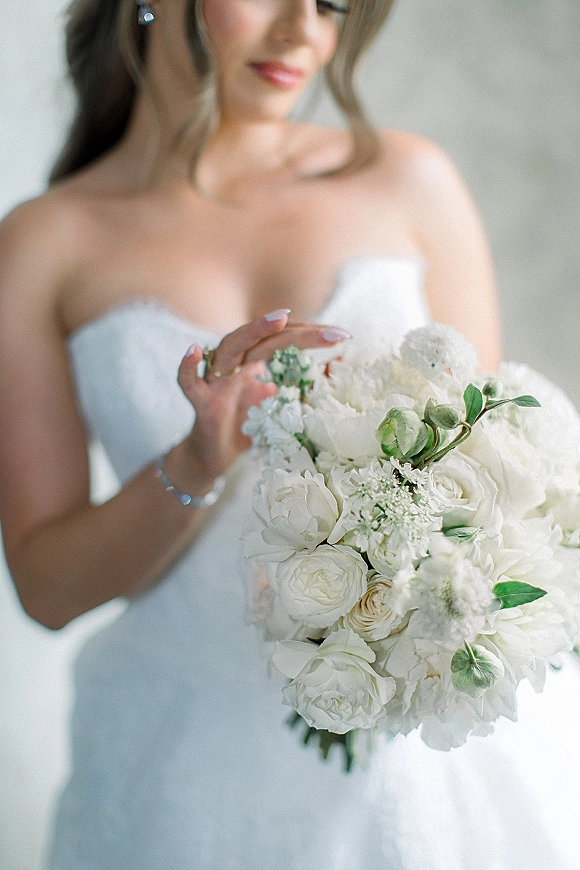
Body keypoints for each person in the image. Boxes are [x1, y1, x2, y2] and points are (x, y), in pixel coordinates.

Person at [1, 0, 578, 868]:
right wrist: (198, 459)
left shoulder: (410, 182)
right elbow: (47, 590)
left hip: (417, 769)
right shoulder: (46, 244)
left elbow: (491, 485)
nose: (305, 30)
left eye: (334, 3)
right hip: (182, 766)